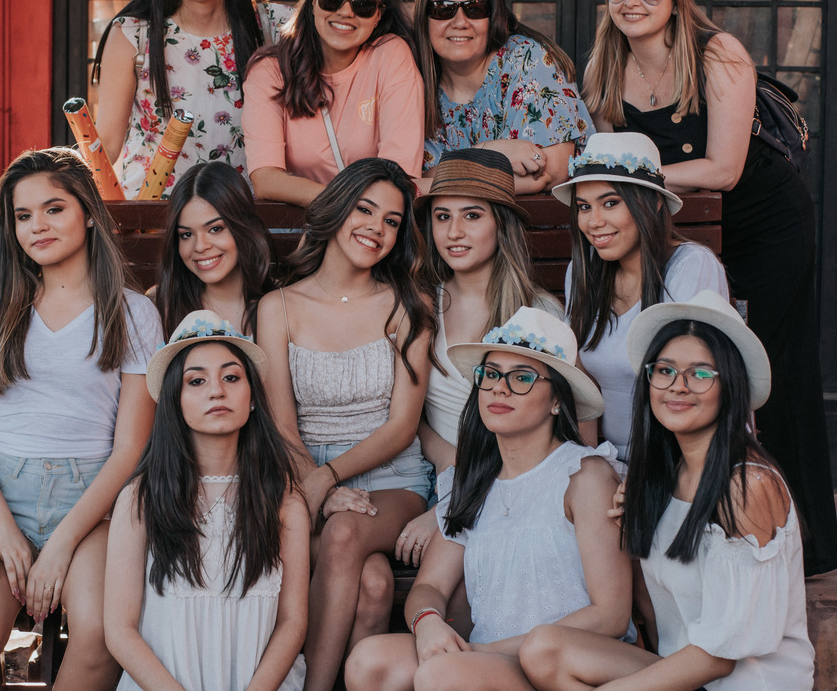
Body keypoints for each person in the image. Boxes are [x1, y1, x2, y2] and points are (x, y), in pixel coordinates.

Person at [582, 0, 837, 575]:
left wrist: (637, 176)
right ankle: (697, 520)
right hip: (682, 234)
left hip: (764, 225)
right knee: (695, 368)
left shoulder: (717, 54)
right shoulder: (604, 67)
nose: (633, 1)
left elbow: (723, 168)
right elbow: (612, 174)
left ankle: (792, 542)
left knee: (763, 371)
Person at [0, 148, 163, 690]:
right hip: (1, 496)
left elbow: (130, 448)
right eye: (23, 215)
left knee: (100, 636)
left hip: (94, 507)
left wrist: (60, 545)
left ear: (88, 213)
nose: (37, 225)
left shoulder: (133, 313)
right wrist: (0, 527)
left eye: (54, 209)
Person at [520, 290, 815, 691]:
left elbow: (719, 658)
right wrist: (635, 527)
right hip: (685, 672)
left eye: (700, 374)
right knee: (544, 649)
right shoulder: (663, 476)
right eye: (664, 370)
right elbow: (657, 613)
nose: (678, 386)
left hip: (744, 682)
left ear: (730, 385)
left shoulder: (746, 485)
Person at [345, 306, 629, 691]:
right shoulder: (473, 482)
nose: (500, 388)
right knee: (369, 661)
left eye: (522, 378)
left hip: (565, 664)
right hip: (486, 659)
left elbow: (610, 615)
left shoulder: (584, 475)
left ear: (557, 401)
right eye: (491, 374)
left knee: (442, 674)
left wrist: (483, 651)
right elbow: (430, 586)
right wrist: (427, 622)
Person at [255, 158, 435, 691]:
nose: (376, 228)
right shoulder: (278, 306)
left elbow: (402, 427)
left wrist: (328, 477)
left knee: (345, 533)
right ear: (336, 209)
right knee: (374, 585)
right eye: (365, 210)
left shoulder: (409, 305)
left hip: (392, 479)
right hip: (301, 474)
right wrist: (316, 484)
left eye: (391, 221)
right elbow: (282, 425)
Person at [104, 310, 309, 690]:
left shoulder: (283, 500)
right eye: (196, 381)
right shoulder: (141, 498)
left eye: (231, 377)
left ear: (252, 398)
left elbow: (292, 622)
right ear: (175, 402)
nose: (217, 391)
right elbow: (119, 629)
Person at [398, 147, 564, 574]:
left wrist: (454, 503)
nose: (454, 232)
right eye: (442, 216)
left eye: (472, 215)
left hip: (516, 483)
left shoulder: (538, 313)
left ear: (500, 224)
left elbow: (562, 426)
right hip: (436, 477)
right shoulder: (420, 304)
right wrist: (448, 467)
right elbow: (408, 413)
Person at [92, 0, 289, 198]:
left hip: (243, 212)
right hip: (154, 214)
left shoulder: (276, 27)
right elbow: (106, 144)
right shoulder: (132, 35)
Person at [551, 131, 728, 458]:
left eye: (610, 203)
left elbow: (698, 390)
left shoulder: (691, 267)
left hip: (681, 460)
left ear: (654, 201)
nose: (594, 222)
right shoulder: (583, 272)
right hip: (610, 459)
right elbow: (582, 390)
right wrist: (588, 464)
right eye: (583, 207)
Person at [243, 0, 424, 207]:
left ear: (378, 14)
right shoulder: (270, 72)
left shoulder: (390, 55)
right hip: (309, 225)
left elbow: (398, 170)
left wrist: (354, 210)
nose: (346, 12)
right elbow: (266, 178)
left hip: (372, 224)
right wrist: (345, 207)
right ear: (313, 1)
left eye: (363, 4)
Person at [414, 0, 593, 194]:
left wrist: (437, 179)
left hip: (543, 216)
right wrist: (491, 152)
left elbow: (547, 173)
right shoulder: (413, 79)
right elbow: (406, 177)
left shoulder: (525, 59)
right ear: (424, 18)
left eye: (475, 9)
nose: (460, 22)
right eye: (443, 9)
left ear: (493, 16)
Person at [155, 160, 274, 337]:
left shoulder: (282, 303)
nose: (200, 246)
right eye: (186, 234)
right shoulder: (161, 309)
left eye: (215, 229)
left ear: (244, 226)